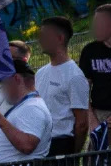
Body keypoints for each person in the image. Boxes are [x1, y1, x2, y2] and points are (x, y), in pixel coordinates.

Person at [35, 16, 90, 156]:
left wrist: (73, 154)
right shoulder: (40, 73)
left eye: (45, 35)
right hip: (38, 143)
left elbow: (82, 123)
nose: (40, 40)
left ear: (60, 39)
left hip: (60, 143)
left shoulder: (75, 76)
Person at [78, 4, 111, 148]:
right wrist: (92, 120)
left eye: (100, 24)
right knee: (98, 163)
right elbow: (82, 90)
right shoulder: (90, 51)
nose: (95, 28)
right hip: (99, 114)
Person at [0, 58, 53, 163]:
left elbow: (27, 145)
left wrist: (2, 122)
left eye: (4, 82)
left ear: (16, 79)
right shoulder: (25, 106)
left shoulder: (33, 107)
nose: (2, 88)